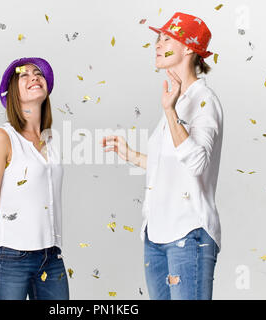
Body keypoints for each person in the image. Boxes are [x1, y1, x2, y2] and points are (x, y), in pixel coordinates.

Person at [101, 12, 223, 300]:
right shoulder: (178, 98)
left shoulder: (204, 100)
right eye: (158, 38)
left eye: (167, 38)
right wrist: (130, 154)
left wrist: (170, 112)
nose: (158, 44)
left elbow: (196, 162)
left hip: (188, 234)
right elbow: (169, 165)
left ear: (190, 48)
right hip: (155, 236)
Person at [0, 57, 69, 300]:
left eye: (38, 73)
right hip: (11, 258)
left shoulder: (50, 141)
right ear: (13, 91)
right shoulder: (2, 138)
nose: (34, 76)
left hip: (51, 258)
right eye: (24, 75)